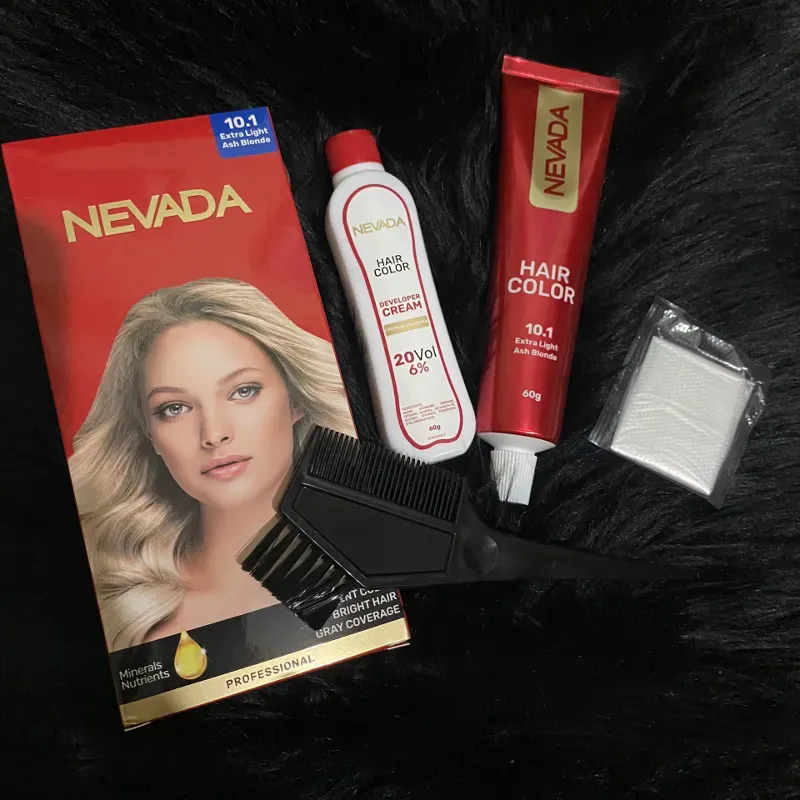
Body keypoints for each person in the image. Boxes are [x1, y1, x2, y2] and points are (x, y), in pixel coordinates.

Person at [68, 277, 354, 651]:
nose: (214, 434)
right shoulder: (125, 612)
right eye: (174, 408)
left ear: (295, 400)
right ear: (150, 434)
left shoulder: (368, 558)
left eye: (243, 391)